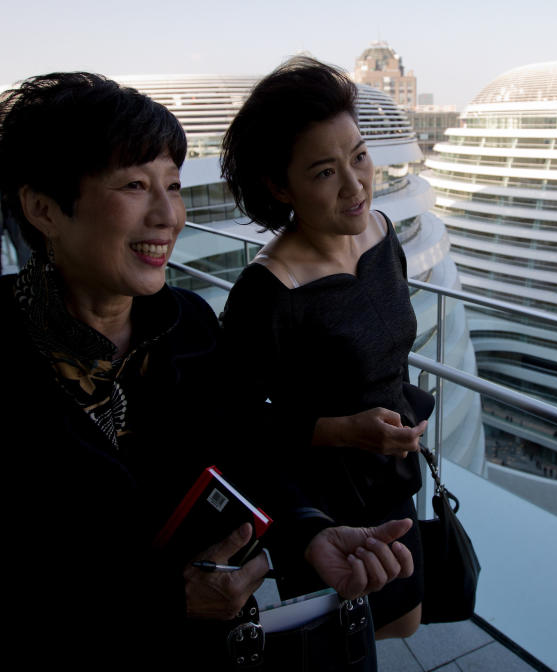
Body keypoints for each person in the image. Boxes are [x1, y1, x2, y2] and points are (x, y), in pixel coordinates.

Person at [0, 71, 414, 671]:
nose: (170, 215)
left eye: (173, 184)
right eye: (136, 186)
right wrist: (162, 600)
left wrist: (310, 532)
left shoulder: (188, 325)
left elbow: (245, 446)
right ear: (43, 208)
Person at [220, 57, 428, 639]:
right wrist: (343, 430)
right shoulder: (268, 291)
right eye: (323, 172)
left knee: (405, 618)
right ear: (279, 185)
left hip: (391, 473)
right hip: (321, 502)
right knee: (343, 637)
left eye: (358, 156)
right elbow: (236, 425)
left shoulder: (383, 233)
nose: (356, 183)